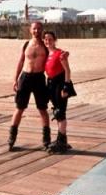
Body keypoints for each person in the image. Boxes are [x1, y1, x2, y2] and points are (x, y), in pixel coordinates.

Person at [8, 21, 51, 151]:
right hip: (25, 78)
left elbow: (52, 59)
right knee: (19, 108)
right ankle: (11, 138)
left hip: (39, 78)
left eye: (39, 29)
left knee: (42, 109)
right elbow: (21, 61)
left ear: (42, 30)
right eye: (34, 29)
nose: (36, 31)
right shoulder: (26, 44)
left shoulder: (45, 45)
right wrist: (15, 79)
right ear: (30, 30)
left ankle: (46, 140)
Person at [43, 31, 76, 153]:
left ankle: (60, 142)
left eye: (50, 39)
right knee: (57, 112)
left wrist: (66, 87)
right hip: (51, 84)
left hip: (60, 84)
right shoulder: (46, 54)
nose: (48, 41)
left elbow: (67, 70)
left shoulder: (60, 54)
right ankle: (63, 140)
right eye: (45, 39)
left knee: (60, 113)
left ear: (54, 40)